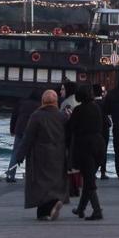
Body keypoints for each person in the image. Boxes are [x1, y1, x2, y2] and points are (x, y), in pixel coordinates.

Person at [15, 90, 69, 221]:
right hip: (59, 152)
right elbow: (69, 136)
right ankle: (54, 202)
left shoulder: (36, 116)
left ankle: (45, 211)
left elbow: (28, 137)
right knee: (56, 181)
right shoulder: (62, 116)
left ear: (43, 101)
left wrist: (20, 155)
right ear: (56, 102)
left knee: (41, 182)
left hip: (40, 154)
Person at [68, 86, 105, 221]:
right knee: (89, 177)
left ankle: (97, 210)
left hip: (85, 146)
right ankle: (80, 209)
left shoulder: (78, 110)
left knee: (89, 180)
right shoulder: (96, 108)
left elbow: (71, 127)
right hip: (99, 144)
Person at [7, 88, 43, 182]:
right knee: (33, 154)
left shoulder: (22, 103)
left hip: (19, 130)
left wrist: (12, 130)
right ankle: (31, 176)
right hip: (32, 132)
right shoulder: (40, 106)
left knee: (16, 153)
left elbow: (14, 116)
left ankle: (10, 175)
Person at [93, 84, 111, 180]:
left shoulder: (91, 103)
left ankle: (93, 171)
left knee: (94, 151)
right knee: (104, 150)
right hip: (105, 128)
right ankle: (103, 172)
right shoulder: (105, 102)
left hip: (95, 129)